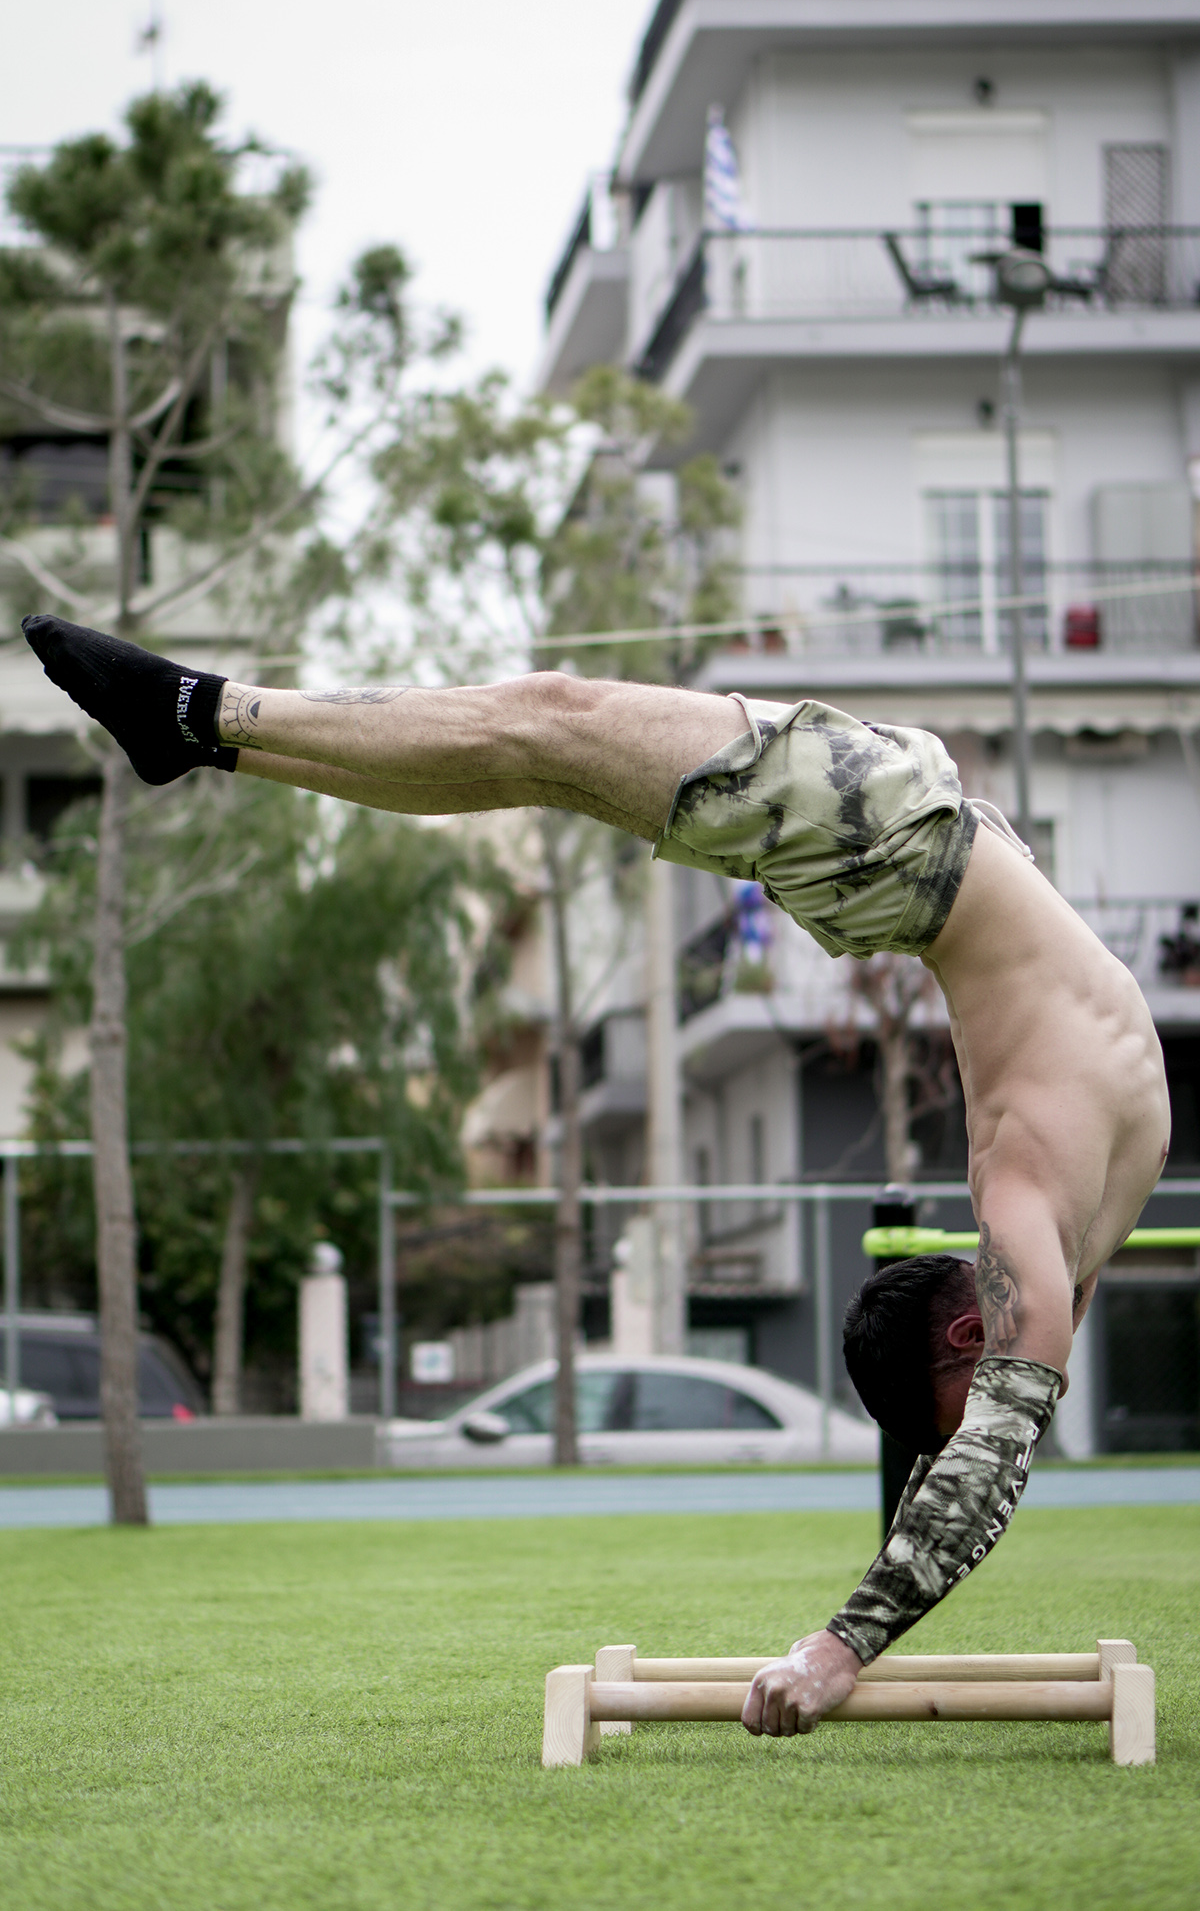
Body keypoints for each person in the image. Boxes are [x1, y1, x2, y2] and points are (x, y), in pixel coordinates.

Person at [22, 615, 1171, 1738]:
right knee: (545, 724)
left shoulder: (1063, 1225)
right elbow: (982, 1477)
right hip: (907, 836)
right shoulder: (1026, 1207)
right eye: (961, 1412)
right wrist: (839, 1648)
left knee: (543, 742)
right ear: (965, 1342)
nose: (1014, 1411)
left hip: (923, 843)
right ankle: (198, 716)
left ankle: (201, 726)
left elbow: (972, 1466)